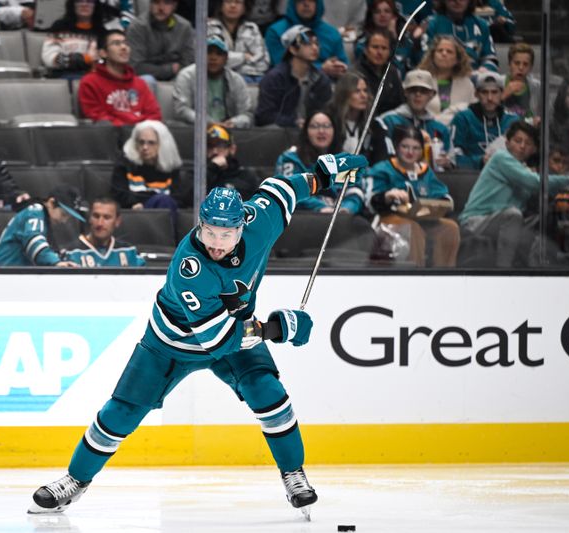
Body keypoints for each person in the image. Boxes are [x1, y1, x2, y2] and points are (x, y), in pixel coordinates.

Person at [27, 152, 370, 519]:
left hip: (233, 329)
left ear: (243, 226)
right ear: (200, 225)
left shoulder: (262, 219)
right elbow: (220, 342)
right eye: (209, 232)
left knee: (270, 395)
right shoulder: (190, 268)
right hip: (169, 345)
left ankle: (293, 473)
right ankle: (74, 480)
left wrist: (322, 176)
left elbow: (283, 188)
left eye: (226, 233)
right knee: (121, 413)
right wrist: (277, 328)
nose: (216, 243)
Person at [459, 121, 569, 268]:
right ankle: (504, 270)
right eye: (518, 141)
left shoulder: (523, 169)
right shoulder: (500, 158)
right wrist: (568, 180)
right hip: (476, 220)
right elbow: (534, 182)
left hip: (500, 220)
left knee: (542, 218)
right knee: (513, 214)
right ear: (507, 143)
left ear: (534, 149)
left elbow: (538, 187)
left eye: (528, 143)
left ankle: (544, 267)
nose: (522, 146)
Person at [366, 124, 460, 267]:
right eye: (405, 146)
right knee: (412, 227)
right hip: (390, 220)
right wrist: (387, 195)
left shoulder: (425, 171)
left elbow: (442, 194)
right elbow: (370, 201)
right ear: (397, 147)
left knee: (450, 227)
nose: (410, 152)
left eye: (416, 148)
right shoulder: (383, 169)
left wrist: (441, 204)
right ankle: (415, 273)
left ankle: (444, 274)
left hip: (423, 219)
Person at [275, 109, 365, 213]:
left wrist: (347, 208)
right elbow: (289, 191)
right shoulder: (290, 158)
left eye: (327, 126)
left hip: (340, 218)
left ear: (335, 130)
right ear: (305, 131)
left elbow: (355, 191)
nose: (321, 131)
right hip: (303, 218)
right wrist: (320, 208)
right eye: (315, 126)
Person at [77, 29, 162, 126]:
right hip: (109, 135)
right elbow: (96, 116)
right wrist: (126, 126)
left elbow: (154, 115)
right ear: (103, 53)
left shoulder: (140, 83)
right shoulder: (90, 82)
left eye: (126, 43)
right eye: (116, 43)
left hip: (140, 136)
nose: (124, 47)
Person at [254, 25, 332, 128]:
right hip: (282, 132)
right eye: (307, 43)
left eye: (316, 44)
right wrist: (294, 122)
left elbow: (327, 112)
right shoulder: (275, 78)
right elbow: (264, 115)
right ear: (292, 49)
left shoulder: (321, 79)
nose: (314, 48)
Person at [372, 69, 453, 168]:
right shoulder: (388, 121)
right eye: (413, 90)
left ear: (432, 95)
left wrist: (447, 163)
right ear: (405, 92)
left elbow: (452, 160)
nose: (418, 95)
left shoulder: (440, 127)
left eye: (423, 91)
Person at [0, 186, 86, 267]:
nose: (64, 221)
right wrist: (56, 262)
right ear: (51, 203)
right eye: (63, 214)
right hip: (4, 275)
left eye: (68, 217)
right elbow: (34, 240)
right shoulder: (35, 211)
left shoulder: (44, 219)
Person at [173, 35, 253, 128]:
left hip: (228, 129)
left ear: (226, 58)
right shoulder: (186, 76)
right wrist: (206, 122)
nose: (213, 58)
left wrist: (234, 123)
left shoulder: (236, 80)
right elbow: (181, 110)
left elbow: (247, 114)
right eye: (208, 52)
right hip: (195, 130)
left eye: (219, 53)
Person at [450, 71, 519, 169]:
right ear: (476, 94)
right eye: (484, 92)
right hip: (471, 177)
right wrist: (481, 160)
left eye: (494, 92)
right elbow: (453, 158)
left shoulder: (512, 121)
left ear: (502, 93)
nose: (490, 98)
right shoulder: (463, 118)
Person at [264, 0, 348, 80]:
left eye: (311, 0)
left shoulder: (332, 33)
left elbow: (344, 63)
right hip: (286, 85)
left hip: (328, 85)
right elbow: (279, 64)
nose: (306, 4)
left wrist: (339, 68)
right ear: (293, 3)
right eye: (300, 0)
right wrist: (321, 68)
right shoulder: (276, 31)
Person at [111, 119, 184, 210]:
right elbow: (119, 196)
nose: (145, 147)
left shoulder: (172, 170)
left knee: (164, 200)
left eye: (151, 143)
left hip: (165, 215)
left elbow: (178, 200)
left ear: (163, 145)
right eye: (141, 142)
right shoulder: (125, 165)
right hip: (135, 216)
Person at [62, 197, 146, 267]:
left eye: (107, 217)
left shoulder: (129, 252)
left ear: (117, 221)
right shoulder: (72, 253)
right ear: (89, 218)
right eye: (96, 216)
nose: (100, 223)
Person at [126, 0, 195, 82]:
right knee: (147, 80)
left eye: (167, 3)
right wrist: (170, 69)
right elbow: (135, 67)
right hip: (146, 78)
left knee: (191, 78)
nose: (161, 8)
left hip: (177, 77)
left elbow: (188, 63)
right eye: (156, 2)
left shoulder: (184, 27)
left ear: (175, 5)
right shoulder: (137, 27)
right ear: (150, 4)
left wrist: (176, 70)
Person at [416, 34, 477, 126]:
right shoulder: (419, 78)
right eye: (440, 50)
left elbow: (472, 113)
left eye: (449, 52)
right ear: (433, 56)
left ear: (457, 59)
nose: (444, 54)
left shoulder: (467, 84)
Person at [421, 0, 498, 72]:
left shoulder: (482, 25)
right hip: (439, 77)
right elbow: (424, 62)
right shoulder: (430, 24)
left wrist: (485, 69)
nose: (457, 1)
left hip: (475, 77)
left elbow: (490, 59)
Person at [207, 0, 270, 82]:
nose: (233, 5)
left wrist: (234, 67)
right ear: (220, 6)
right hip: (215, 78)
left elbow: (263, 63)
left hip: (248, 79)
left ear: (245, 8)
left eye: (238, 2)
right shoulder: (210, 27)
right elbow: (212, 60)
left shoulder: (252, 28)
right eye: (228, 2)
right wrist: (243, 57)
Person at [41, 0, 104, 79]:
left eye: (89, 1)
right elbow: (50, 58)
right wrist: (84, 59)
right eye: (80, 1)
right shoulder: (59, 27)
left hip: (94, 77)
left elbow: (103, 61)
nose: (84, 4)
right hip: (63, 75)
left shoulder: (102, 32)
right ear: (73, 4)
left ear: (95, 5)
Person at [354, 0, 415, 76]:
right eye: (377, 12)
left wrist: (394, 38)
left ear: (394, 16)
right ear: (372, 15)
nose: (382, 15)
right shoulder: (363, 42)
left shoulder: (406, 40)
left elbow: (403, 66)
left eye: (387, 11)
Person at [324, 71, 374, 159]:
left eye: (365, 91)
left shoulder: (371, 123)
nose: (363, 95)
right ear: (344, 94)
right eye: (357, 91)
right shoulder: (329, 120)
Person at [354, 29, 404, 116]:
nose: (379, 52)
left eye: (384, 48)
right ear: (366, 50)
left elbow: (400, 103)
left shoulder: (392, 72)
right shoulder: (355, 73)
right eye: (375, 47)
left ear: (389, 52)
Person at [203, 124, 260, 200]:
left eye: (220, 145)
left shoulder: (247, 177)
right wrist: (211, 169)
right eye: (210, 146)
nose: (214, 151)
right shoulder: (197, 176)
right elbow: (186, 200)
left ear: (232, 149)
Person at [501, 42, 540, 123]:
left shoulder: (537, 87)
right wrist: (503, 96)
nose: (521, 68)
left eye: (525, 64)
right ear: (509, 64)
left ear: (531, 67)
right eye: (517, 63)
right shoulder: (498, 83)